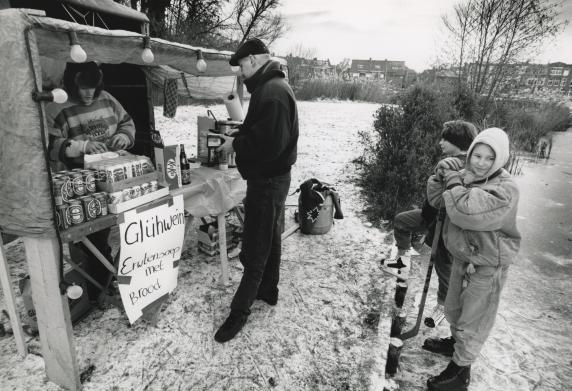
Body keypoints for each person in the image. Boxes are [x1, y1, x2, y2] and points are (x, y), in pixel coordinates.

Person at [213, 38, 299, 343]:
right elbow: (266, 132)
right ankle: (269, 290)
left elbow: (269, 147)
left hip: (268, 180)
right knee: (271, 235)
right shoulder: (270, 87)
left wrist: (235, 143)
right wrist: (243, 132)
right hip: (274, 177)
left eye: (241, 67)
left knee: (255, 247)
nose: (241, 74)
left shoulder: (272, 92)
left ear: (252, 60)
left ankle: (239, 312)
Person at [424, 127, 521, 391]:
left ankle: (460, 372)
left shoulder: (505, 188)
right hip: (464, 257)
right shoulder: (466, 176)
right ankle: (455, 346)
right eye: (476, 156)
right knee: (454, 309)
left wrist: (454, 182)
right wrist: (440, 173)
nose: (480, 163)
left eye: (489, 158)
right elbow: (437, 201)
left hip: (487, 265)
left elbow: (466, 212)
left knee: (473, 320)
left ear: (500, 160)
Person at [47, 61, 136, 301]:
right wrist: (81, 146)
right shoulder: (58, 107)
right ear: (72, 83)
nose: (89, 93)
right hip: (81, 187)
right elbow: (48, 145)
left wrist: (123, 136)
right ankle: (97, 290)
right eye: (84, 88)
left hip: (114, 178)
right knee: (90, 240)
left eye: (93, 88)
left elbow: (127, 122)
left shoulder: (107, 99)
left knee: (116, 232)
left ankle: (109, 279)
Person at [380, 120, 478, 328]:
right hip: (430, 216)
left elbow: (447, 200)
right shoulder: (452, 161)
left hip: (445, 226)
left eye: (446, 139)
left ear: (457, 142)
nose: (440, 142)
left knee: (444, 267)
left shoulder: (464, 166)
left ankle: (443, 308)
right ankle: (402, 262)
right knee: (401, 221)